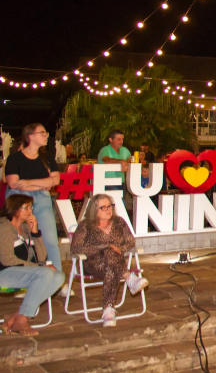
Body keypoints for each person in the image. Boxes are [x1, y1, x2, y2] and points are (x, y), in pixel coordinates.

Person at [71, 194, 148, 327]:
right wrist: (104, 247)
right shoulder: (85, 225)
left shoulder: (119, 222)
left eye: (110, 206)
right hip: (92, 264)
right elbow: (76, 247)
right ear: (94, 210)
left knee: (111, 267)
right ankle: (129, 277)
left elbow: (130, 241)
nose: (108, 209)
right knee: (108, 249)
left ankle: (108, 310)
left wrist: (120, 249)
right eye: (103, 207)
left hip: (112, 266)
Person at [0, 194, 65, 336]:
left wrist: (35, 232)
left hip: (22, 273)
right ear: (15, 209)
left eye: (31, 207)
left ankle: (18, 317)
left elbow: (40, 258)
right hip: (4, 273)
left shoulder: (25, 228)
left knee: (59, 277)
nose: (30, 211)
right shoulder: (4, 227)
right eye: (26, 207)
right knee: (45, 273)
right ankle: (21, 321)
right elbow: (7, 259)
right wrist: (39, 268)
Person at [4, 124, 62, 271]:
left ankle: (57, 278)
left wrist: (28, 183)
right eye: (42, 132)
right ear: (30, 136)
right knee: (18, 239)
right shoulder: (15, 158)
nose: (46, 135)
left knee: (50, 240)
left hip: (42, 200)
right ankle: (20, 275)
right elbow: (13, 183)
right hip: (19, 201)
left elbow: (55, 180)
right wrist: (42, 184)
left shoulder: (47, 158)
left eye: (46, 132)